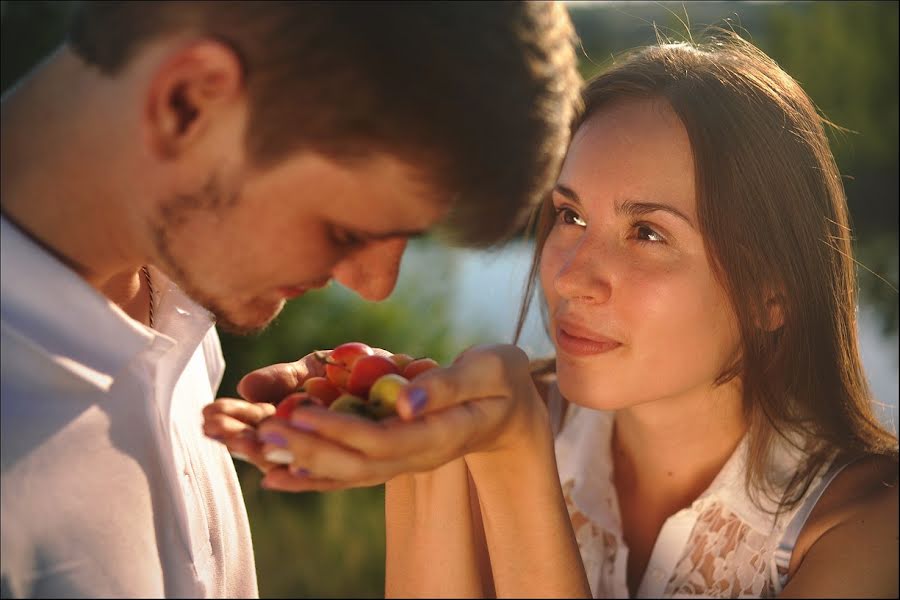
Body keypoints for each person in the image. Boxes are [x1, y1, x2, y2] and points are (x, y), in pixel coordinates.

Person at [204, 29, 899, 598]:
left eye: (648, 233)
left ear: (771, 292)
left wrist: (511, 455)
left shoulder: (865, 533)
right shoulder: (478, 416)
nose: (569, 275)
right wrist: (428, 453)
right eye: (569, 215)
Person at [0, 1, 583, 597]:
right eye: (345, 232)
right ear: (189, 102)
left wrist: (503, 440)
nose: (376, 287)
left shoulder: (166, 289)